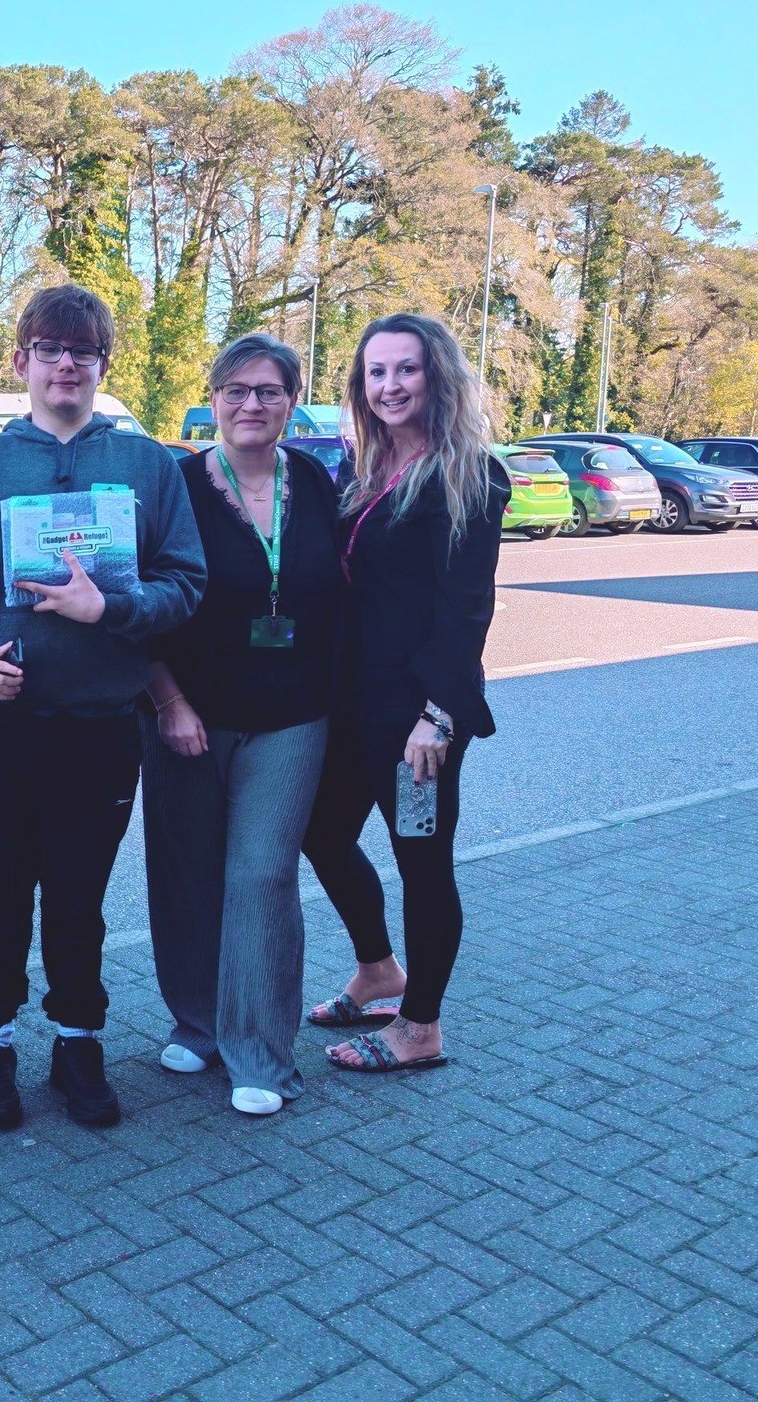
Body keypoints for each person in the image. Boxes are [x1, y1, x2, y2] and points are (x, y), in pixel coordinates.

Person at [0, 284, 204, 1130]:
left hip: (101, 728)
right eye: (50, 348)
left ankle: (78, 1043)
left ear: (103, 365)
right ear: (23, 362)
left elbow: (186, 583)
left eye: (83, 351)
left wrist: (109, 611)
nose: (67, 363)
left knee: (78, 901)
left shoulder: (148, 464)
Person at [300, 312, 508, 1075]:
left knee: (422, 862)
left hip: (417, 717)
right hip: (353, 703)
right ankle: (380, 970)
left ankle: (420, 1027)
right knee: (319, 833)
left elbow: (466, 609)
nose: (388, 385)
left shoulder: (470, 474)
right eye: (375, 372)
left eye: (405, 369)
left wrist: (439, 716)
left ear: (437, 376)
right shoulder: (363, 468)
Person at [142, 335, 343, 1116]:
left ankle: (260, 1050)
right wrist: (168, 702)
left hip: (293, 717)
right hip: (185, 714)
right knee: (186, 871)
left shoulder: (319, 484)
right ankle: (197, 1021)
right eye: (236, 390)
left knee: (260, 875)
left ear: (293, 400)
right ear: (214, 398)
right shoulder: (176, 483)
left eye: (269, 390)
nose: (252, 404)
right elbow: (143, 600)